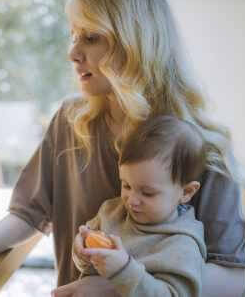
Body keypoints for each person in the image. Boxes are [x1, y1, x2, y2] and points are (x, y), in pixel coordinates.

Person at [0, 0, 245, 296]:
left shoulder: (199, 143)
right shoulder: (72, 120)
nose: (73, 53)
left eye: (91, 37)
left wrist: (118, 286)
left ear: (135, 43)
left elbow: (233, 279)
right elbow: (29, 213)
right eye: (74, 35)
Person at [72, 116, 208, 296]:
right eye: (126, 185)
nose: (131, 200)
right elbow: (86, 266)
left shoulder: (182, 245)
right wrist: (81, 253)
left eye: (148, 193)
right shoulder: (111, 212)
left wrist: (123, 270)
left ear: (186, 192)